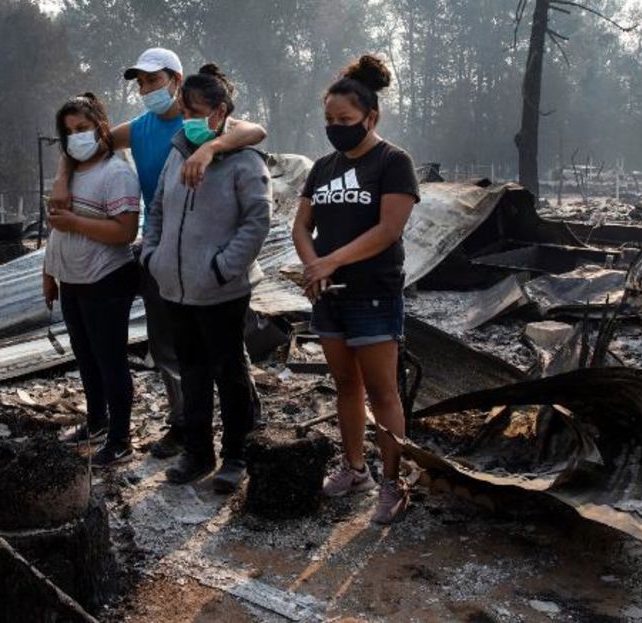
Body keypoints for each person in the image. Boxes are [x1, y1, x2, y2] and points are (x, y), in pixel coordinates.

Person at [50, 48, 267, 460]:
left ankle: (246, 424)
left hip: (213, 252)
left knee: (226, 348)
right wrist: (63, 177)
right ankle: (184, 424)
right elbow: (83, 143)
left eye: (154, 80)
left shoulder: (207, 124)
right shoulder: (142, 128)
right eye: (141, 83)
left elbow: (255, 132)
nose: (146, 89)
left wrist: (209, 149)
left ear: (177, 81)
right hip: (164, 249)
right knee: (170, 346)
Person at [291, 54, 420, 524]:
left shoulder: (393, 162)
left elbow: (388, 230)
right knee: (346, 385)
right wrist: (314, 268)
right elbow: (301, 225)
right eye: (328, 120)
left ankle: (392, 482)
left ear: (371, 117)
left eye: (344, 120)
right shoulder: (323, 167)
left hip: (373, 294)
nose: (335, 127)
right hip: (330, 296)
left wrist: (331, 260)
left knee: (384, 392)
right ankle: (355, 468)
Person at [141, 64, 271, 493]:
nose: (187, 120)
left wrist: (222, 268)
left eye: (195, 112)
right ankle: (198, 451)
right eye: (184, 112)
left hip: (221, 290)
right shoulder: (178, 153)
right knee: (192, 371)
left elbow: (256, 221)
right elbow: (158, 208)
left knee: (229, 372)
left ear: (220, 113)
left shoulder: (245, 161)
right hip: (175, 286)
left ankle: (236, 454)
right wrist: (153, 256)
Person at [44, 93, 141, 467]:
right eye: (69, 132)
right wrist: (49, 273)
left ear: (102, 127)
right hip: (72, 279)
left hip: (106, 279)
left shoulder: (116, 173)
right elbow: (57, 232)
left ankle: (120, 439)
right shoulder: (69, 176)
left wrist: (76, 222)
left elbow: (125, 232)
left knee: (110, 360)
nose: (76, 137)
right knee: (86, 358)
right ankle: (97, 422)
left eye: (83, 128)